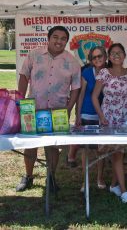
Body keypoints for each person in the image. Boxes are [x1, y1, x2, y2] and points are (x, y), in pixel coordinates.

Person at [16, 26, 81, 192]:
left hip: (57, 111)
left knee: (53, 145)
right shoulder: (34, 55)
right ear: (49, 38)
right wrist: (20, 100)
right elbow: (24, 76)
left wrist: (69, 108)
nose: (59, 41)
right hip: (34, 108)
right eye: (55, 37)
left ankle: (51, 177)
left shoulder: (72, 61)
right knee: (31, 144)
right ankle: (28, 176)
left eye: (63, 38)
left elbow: (75, 88)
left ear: (66, 41)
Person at [92, 43, 127, 203]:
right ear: (109, 57)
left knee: (120, 153)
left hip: (125, 116)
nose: (117, 55)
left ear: (124, 56)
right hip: (108, 117)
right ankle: (123, 191)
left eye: (120, 53)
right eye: (113, 53)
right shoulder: (104, 73)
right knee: (116, 153)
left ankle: (115, 185)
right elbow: (94, 97)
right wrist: (101, 116)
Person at [68, 46, 107, 192]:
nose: (97, 59)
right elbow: (81, 95)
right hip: (86, 114)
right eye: (94, 57)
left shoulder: (108, 72)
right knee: (85, 149)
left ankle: (100, 178)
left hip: (103, 116)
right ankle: (85, 180)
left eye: (100, 56)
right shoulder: (86, 72)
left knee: (101, 149)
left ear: (105, 56)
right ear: (91, 60)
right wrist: (77, 115)